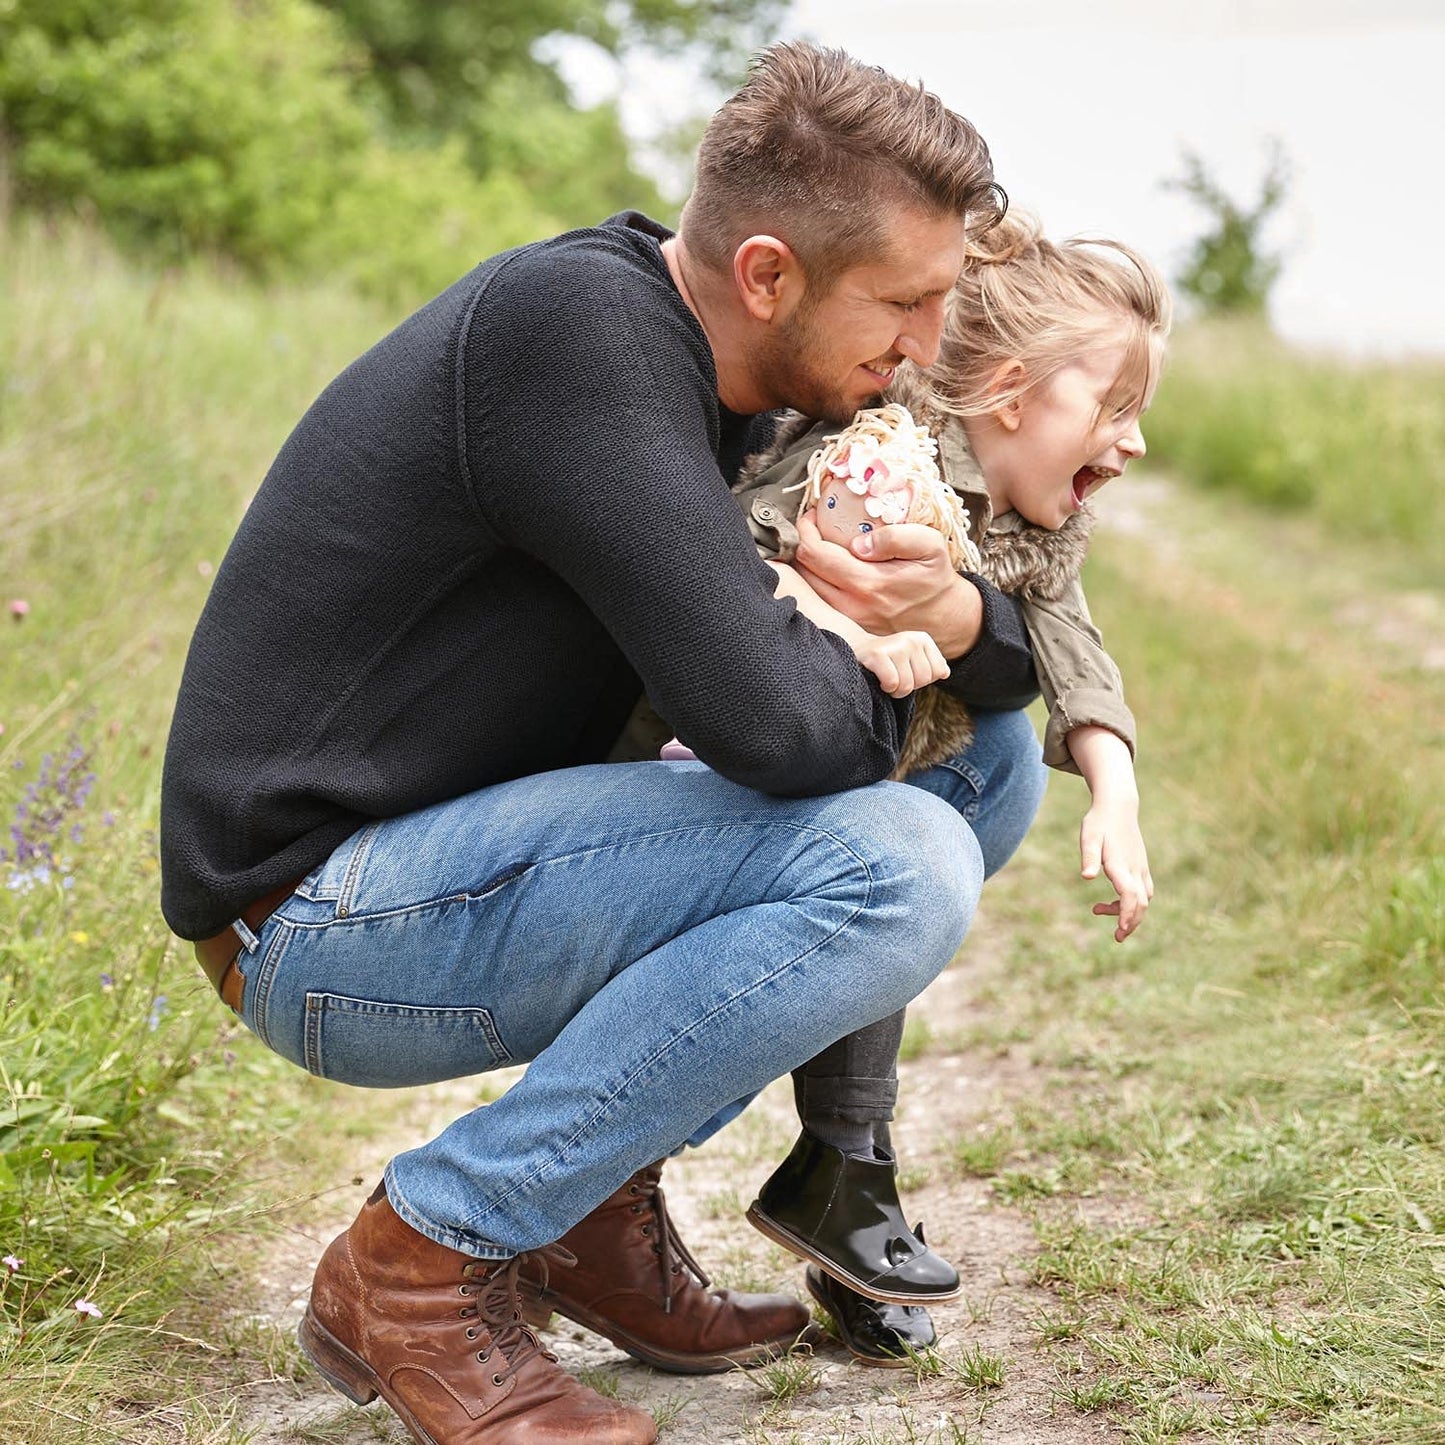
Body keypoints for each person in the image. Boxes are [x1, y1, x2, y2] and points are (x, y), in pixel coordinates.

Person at [159, 42, 1048, 1445]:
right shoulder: (577, 335)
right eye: (905, 304)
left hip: (469, 868)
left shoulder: (758, 387)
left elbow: (1000, 675)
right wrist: (894, 642)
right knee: (900, 858)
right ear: (767, 275)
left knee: (983, 767)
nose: (925, 352)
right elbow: (775, 727)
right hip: (315, 916)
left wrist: (939, 611)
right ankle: (429, 1256)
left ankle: (589, 1211)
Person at [725, 210, 1169, 1363]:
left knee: (931, 811)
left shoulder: (1030, 522)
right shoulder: (885, 450)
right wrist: (843, 624)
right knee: (894, 851)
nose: (1129, 446)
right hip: (706, 756)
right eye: (1112, 409)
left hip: (836, 768)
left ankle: (847, 1175)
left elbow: (1067, 640)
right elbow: (750, 543)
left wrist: (1112, 793)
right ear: (1012, 394)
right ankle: (816, 1184)